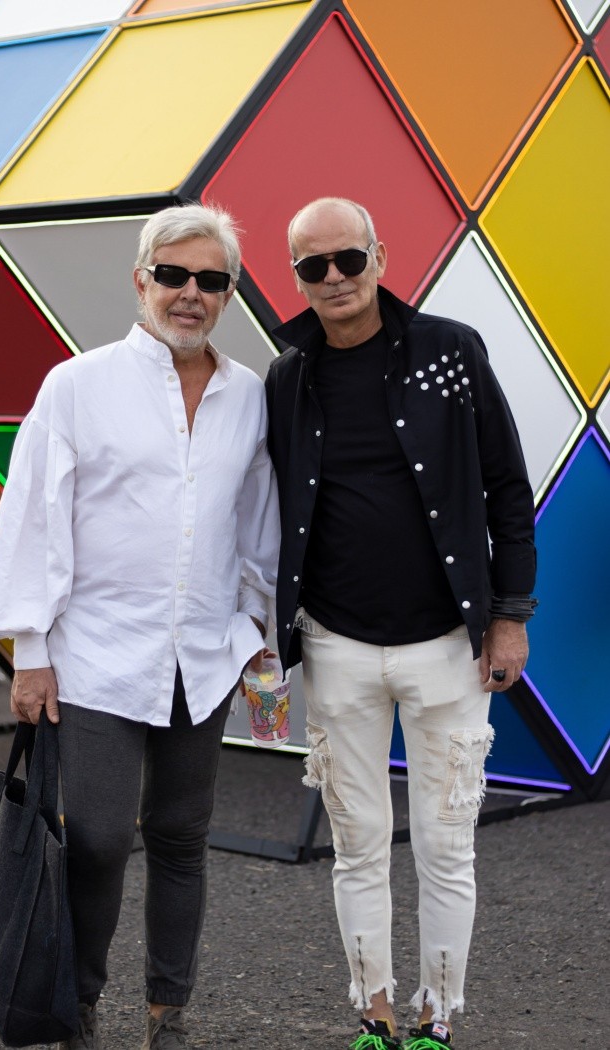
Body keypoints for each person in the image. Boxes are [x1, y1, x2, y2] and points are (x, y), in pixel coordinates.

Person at [0, 203, 279, 1050]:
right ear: (140, 280)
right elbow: (33, 518)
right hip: (96, 656)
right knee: (100, 837)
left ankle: (167, 1015)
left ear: (228, 293)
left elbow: (257, 523)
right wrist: (30, 652)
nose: (190, 293)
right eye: (173, 275)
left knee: (181, 837)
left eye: (210, 280)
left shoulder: (249, 396)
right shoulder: (77, 385)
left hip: (204, 657)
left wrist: (256, 635)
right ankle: (79, 1004)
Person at [265, 198, 537, 1050]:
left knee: (447, 847)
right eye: (314, 266)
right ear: (297, 278)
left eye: (349, 259)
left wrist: (510, 616)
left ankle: (436, 1020)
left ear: (379, 257)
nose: (335, 278)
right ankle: (374, 1015)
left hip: (449, 645)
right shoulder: (287, 376)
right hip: (337, 645)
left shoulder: (450, 351)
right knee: (357, 844)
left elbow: (507, 487)